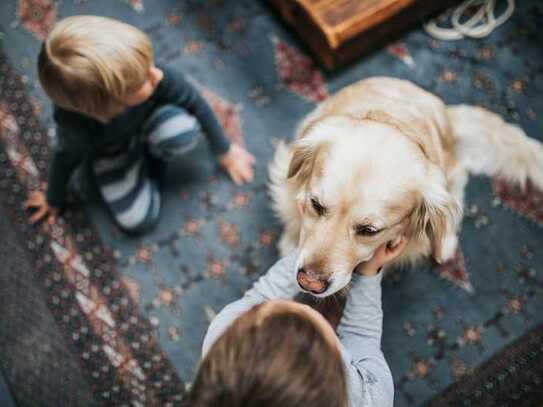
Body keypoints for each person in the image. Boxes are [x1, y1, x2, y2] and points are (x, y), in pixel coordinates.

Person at [25, 15, 255, 234]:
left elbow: (195, 101)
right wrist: (53, 199)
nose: (156, 75)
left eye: (149, 64)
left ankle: (149, 155)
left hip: (152, 119)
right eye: (142, 80)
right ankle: (144, 166)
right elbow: (63, 160)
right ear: (107, 105)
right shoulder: (76, 130)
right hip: (113, 151)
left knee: (183, 130)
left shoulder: (153, 75)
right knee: (137, 221)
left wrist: (225, 151)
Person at [187, 237, 408, 407]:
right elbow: (362, 337)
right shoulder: (372, 397)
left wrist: (306, 245)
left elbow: (263, 293)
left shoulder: (223, 334)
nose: (306, 301)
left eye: (261, 310)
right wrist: (369, 272)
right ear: (341, 374)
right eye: (315, 320)